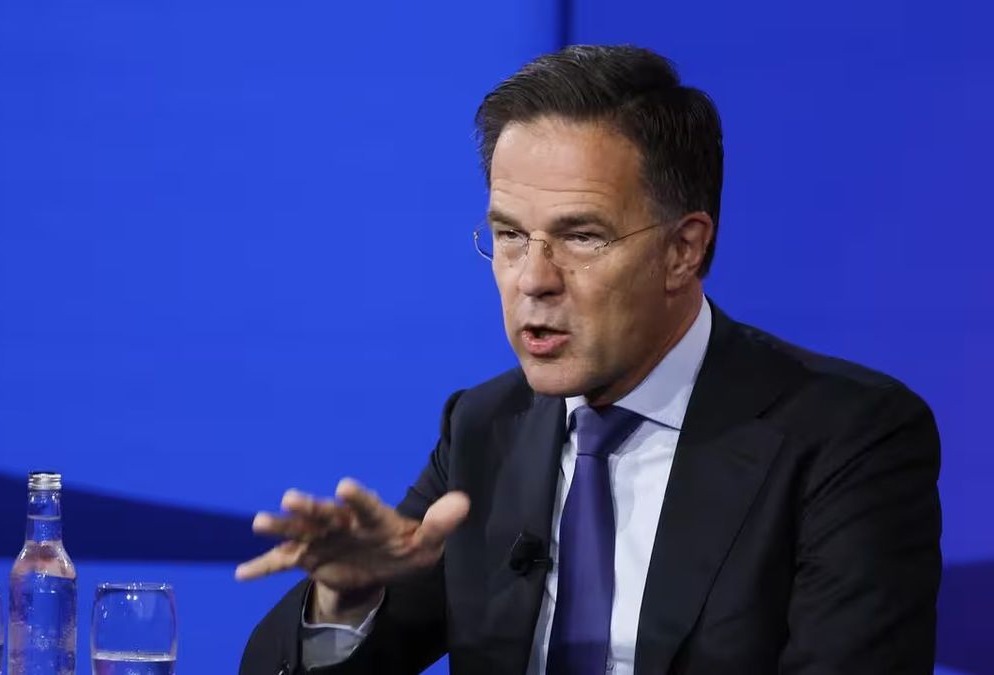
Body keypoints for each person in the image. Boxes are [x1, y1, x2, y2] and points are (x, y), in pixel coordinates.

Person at [235, 45, 942, 675]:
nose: (532, 279)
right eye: (509, 235)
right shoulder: (484, 428)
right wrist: (348, 601)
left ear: (683, 249)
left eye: (581, 237)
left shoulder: (847, 439)